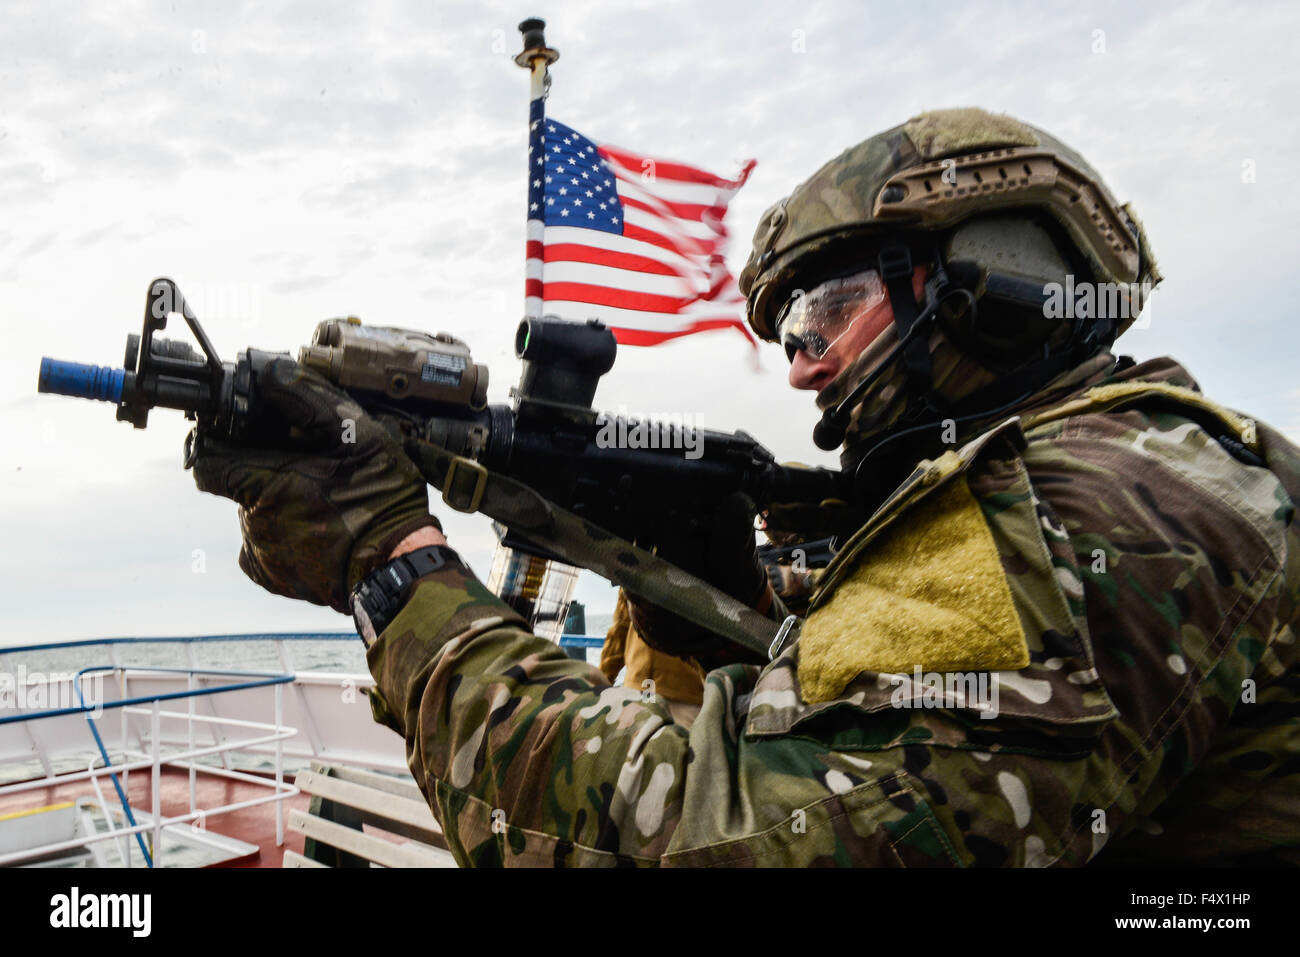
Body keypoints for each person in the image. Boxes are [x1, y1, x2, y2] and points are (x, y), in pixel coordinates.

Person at [192, 108, 1300, 866]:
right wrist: (725, 615)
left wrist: (391, 567)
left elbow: (705, 843)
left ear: (997, 284)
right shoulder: (1165, 463)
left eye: (829, 309)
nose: (803, 357)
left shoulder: (1089, 510)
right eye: (790, 330)